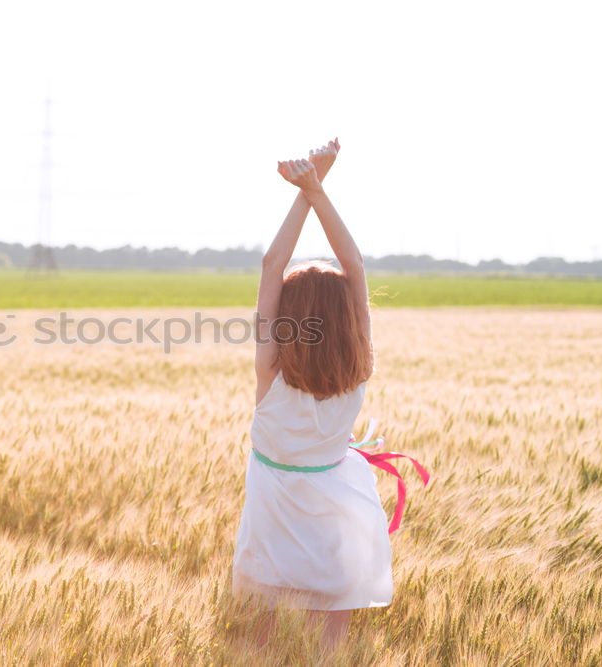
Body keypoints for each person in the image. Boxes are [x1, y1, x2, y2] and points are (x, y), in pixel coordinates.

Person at [230, 138, 427, 655]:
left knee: (262, 639)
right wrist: (317, 187)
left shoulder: (270, 372)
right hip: (339, 498)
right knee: (330, 643)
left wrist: (308, 187)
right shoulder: (358, 366)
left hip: (274, 511)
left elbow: (273, 264)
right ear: (346, 321)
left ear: (289, 321)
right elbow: (355, 266)